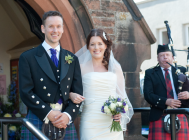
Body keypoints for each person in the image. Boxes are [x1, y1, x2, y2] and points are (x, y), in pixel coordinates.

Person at [19, 11, 83, 140]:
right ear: (43, 28)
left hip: (64, 120)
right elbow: (26, 92)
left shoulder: (72, 58)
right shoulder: (28, 57)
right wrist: (48, 113)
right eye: (51, 26)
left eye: (58, 26)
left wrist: (68, 115)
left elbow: (77, 94)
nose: (55, 30)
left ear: (63, 29)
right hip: (38, 117)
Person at [70, 29, 134, 140]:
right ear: (88, 47)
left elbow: (122, 96)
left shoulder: (115, 68)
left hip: (111, 122)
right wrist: (72, 95)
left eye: (100, 44)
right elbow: (69, 90)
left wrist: (119, 112)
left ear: (105, 45)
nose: (96, 48)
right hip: (90, 121)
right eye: (92, 44)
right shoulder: (80, 67)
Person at [144, 44, 189, 140]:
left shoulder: (181, 70)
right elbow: (148, 94)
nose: (165, 57)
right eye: (162, 55)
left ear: (172, 58)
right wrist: (166, 101)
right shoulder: (151, 73)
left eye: (167, 55)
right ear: (157, 58)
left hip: (180, 113)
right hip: (159, 114)